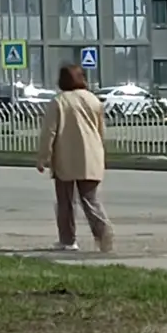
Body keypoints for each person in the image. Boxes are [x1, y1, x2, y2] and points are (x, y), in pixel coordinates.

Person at [36, 65, 114, 253]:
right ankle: (103, 233)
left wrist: (43, 157)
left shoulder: (59, 101)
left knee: (65, 201)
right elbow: (100, 130)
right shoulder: (93, 100)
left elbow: (49, 132)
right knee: (91, 199)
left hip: (66, 157)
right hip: (91, 155)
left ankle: (68, 240)